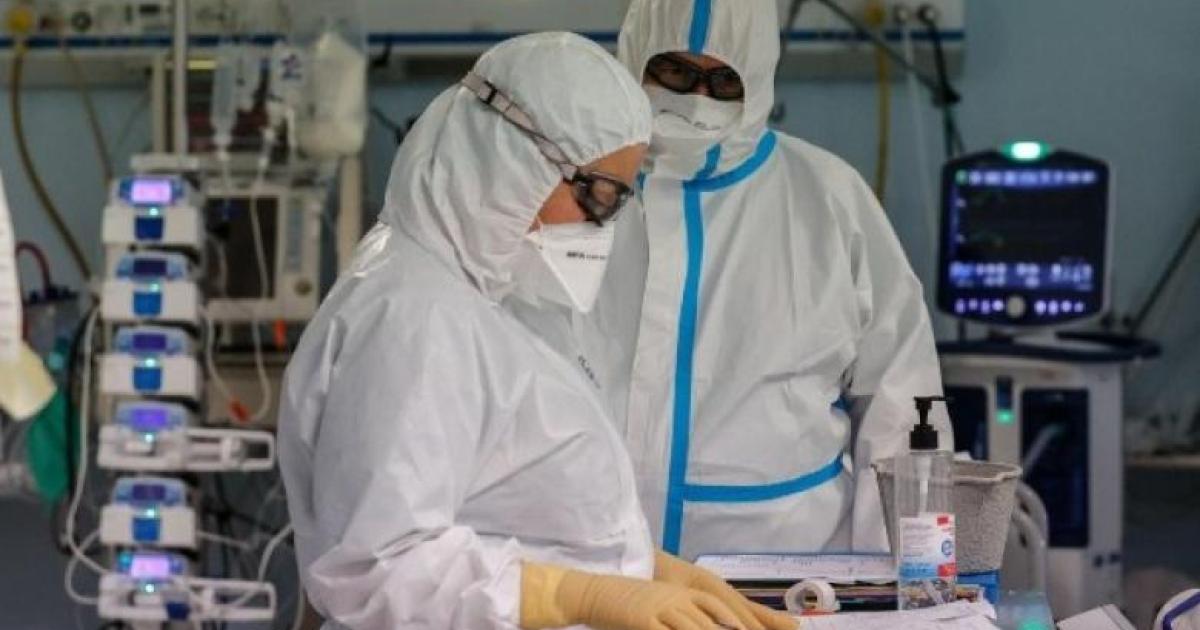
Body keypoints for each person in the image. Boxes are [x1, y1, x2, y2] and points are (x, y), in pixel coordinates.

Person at [277, 32, 794, 630]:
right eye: (597, 194)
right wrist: (580, 594)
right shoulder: (413, 318)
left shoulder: (487, 298)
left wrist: (638, 568)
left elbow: (507, 503)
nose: (602, 224)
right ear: (510, 159)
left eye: (619, 200)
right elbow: (379, 569)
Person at [584, 0, 953, 560]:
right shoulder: (574, 192)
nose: (696, 99)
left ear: (758, 78)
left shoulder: (827, 199)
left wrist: (907, 576)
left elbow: (901, 404)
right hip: (593, 561)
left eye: (724, 81)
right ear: (634, 58)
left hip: (785, 567)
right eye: (674, 71)